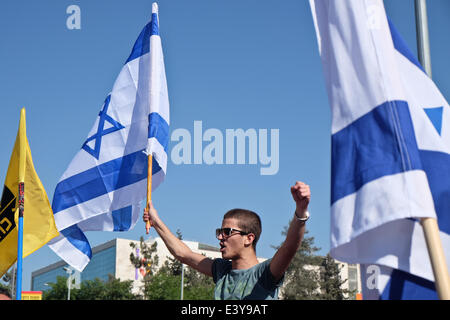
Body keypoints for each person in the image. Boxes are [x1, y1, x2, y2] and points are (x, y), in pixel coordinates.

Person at [143, 181, 311, 300]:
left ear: (249, 238)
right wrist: (156, 222)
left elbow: (289, 248)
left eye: (227, 232)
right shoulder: (221, 270)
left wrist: (301, 211)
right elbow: (183, 254)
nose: (220, 237)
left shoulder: (265, 273)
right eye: (220, 232)